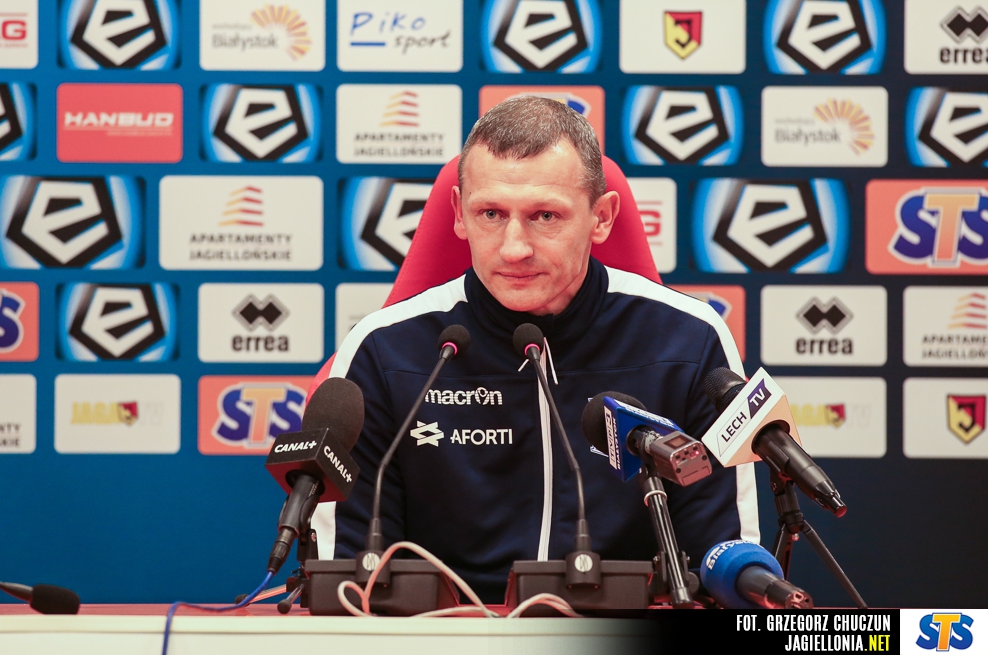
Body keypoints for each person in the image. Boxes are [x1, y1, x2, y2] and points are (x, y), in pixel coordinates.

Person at [313, 97, 758, 603]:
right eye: (490, 214)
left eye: (545, 215)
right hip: (441, 637)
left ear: (602, 217)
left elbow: (720, 562)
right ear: (458, 213)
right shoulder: (383, 349)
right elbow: (352, 582)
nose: (514, 248)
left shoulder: (690, 339)